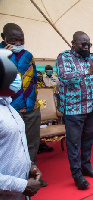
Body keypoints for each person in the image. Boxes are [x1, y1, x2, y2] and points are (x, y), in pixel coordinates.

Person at [56, 31, 93, 189]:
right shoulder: (64, 57)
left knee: (87, 140)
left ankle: (86, 167)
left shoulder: (92, 57)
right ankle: (77, 174)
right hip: (74, 110)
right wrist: (88, 71)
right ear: (73, 43)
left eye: (89, 44)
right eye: (83, 44)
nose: (86, 47)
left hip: (90, 107)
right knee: (74, 143)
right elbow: (64, 78)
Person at [0, 23, 47, 187]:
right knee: (11, 145)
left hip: (31, 107)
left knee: (32, 142)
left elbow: (34, 79)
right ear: (3, 38)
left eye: (21, 40)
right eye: (14, 40)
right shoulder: (1, 55)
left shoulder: (28, 56)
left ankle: (32, 173)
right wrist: (6, 54)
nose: (19, 44)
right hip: (9, 108)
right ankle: (14, 181)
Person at [0, 49, 41, 199]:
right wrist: (21, 185)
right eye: (12, 74)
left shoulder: (8, 106)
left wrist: (29, 165)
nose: (18, 79)